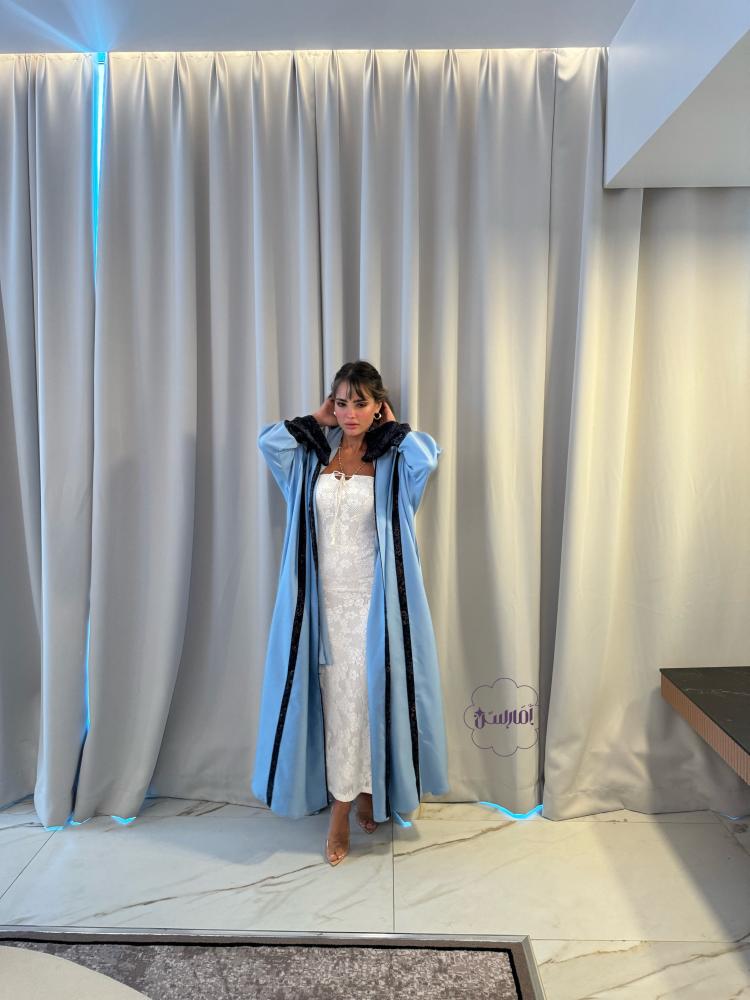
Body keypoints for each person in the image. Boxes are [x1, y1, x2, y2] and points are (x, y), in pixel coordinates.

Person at [252, 360, 449, 865]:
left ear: (378, 406)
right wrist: (318, 419)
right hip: (319, 608)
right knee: (336, 707)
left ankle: (355, 801)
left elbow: (426, 458)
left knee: (364, 704)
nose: (350, 413)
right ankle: (350, 799)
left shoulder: (392, 463)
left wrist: (393, 428)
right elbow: (269, 443)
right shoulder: (311, 457)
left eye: (360, 403)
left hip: (372, 607)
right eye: (341, 403)